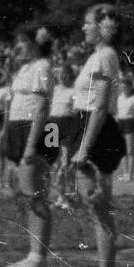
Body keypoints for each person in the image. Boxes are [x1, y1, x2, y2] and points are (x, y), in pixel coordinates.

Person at [69, 5, 128, 267]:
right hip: (86, 127)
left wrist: (85, 147)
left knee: (99, 204)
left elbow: (101, 105)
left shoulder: (105, 56)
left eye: (88, 23)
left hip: (96, 132)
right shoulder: (96, 55)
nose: (84, 28)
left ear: (102, 26)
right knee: (94, 205)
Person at [3, 26, 56, 267]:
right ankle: (33, 252)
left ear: (34, 44)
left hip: (31, 132)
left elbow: (42, 108)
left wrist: (31, 145)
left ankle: (38, 256)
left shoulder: (42, 67)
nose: (17, 47)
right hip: (17, 129)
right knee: (24, 193)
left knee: (35, 194)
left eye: (22, 42)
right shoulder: (25, 68)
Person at [48, 62, 77, 209]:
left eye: (65, 74)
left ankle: (67, 196)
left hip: (67, 125)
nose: (62, 77)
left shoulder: (74, 91)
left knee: (65, 164)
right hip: (52, 126)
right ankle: (58, 197)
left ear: (70, 76)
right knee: (53, 163)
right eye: (60, 74)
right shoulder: (55, 89)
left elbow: (77, 113)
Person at [116, 76, 134, 183]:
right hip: (120, 123)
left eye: (126, 86)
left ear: (130, 87)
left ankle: (130, 175)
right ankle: (125, 174)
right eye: (123, 86)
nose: (124, 88)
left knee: (130, 151)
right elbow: (116, 113)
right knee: (122, 151)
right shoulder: (119, 98)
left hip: (130, 123)